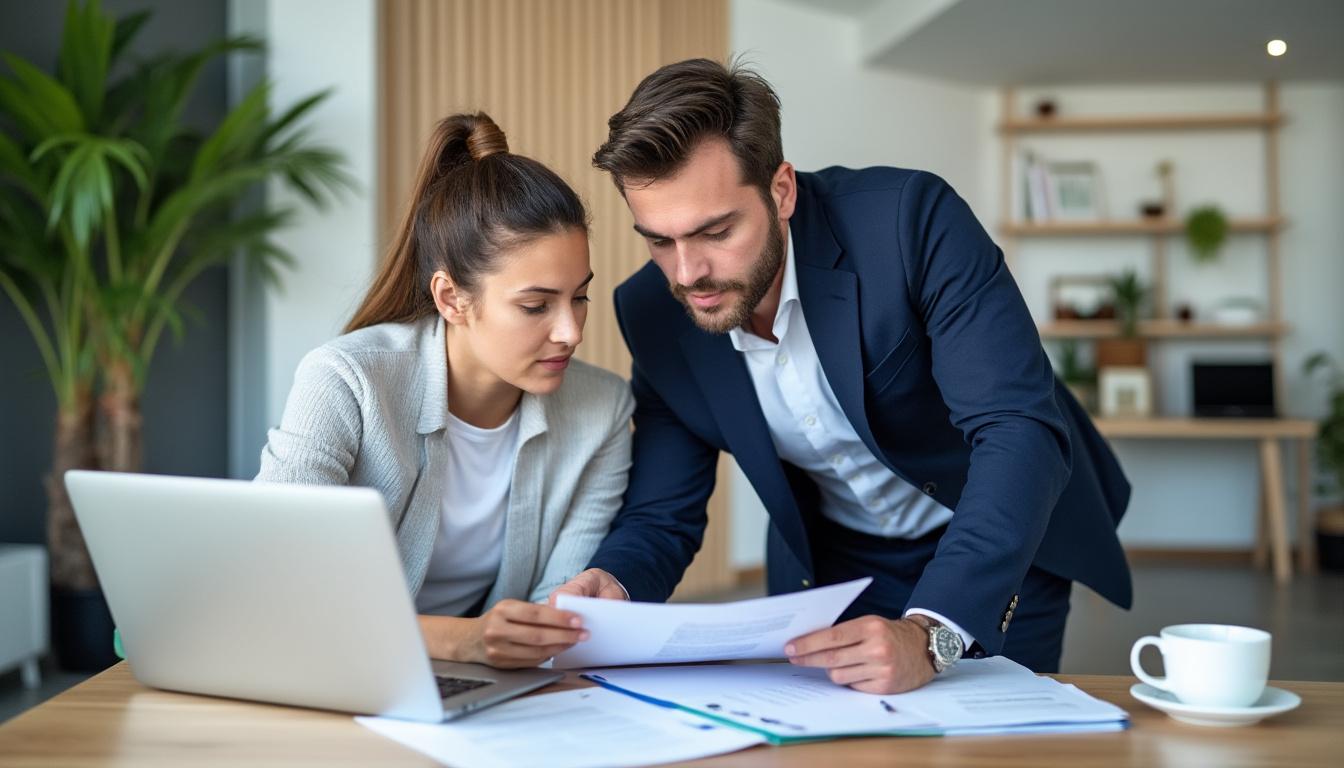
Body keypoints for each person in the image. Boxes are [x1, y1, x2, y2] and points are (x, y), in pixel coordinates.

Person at [551, 59, 1132, 693]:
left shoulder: (911, 222)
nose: (687, 273)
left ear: (781, 191)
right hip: (831, 568)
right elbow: (664, 511)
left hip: (997, 537)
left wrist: (932, 631)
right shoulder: (652, 312)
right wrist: (617, 581)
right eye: (659, 241)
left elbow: (1016, 428)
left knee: (994, 744)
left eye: (715, 231)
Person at [258, 112, 633, 669]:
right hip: (328, 668)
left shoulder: (601, 411)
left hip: (480, 685)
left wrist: (526, 640)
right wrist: (462, 640)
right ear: (452, 298)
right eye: (536, 306)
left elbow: (554, 616)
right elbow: (279, 586)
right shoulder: (345, 380)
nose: (571, 331)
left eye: (579, 297)